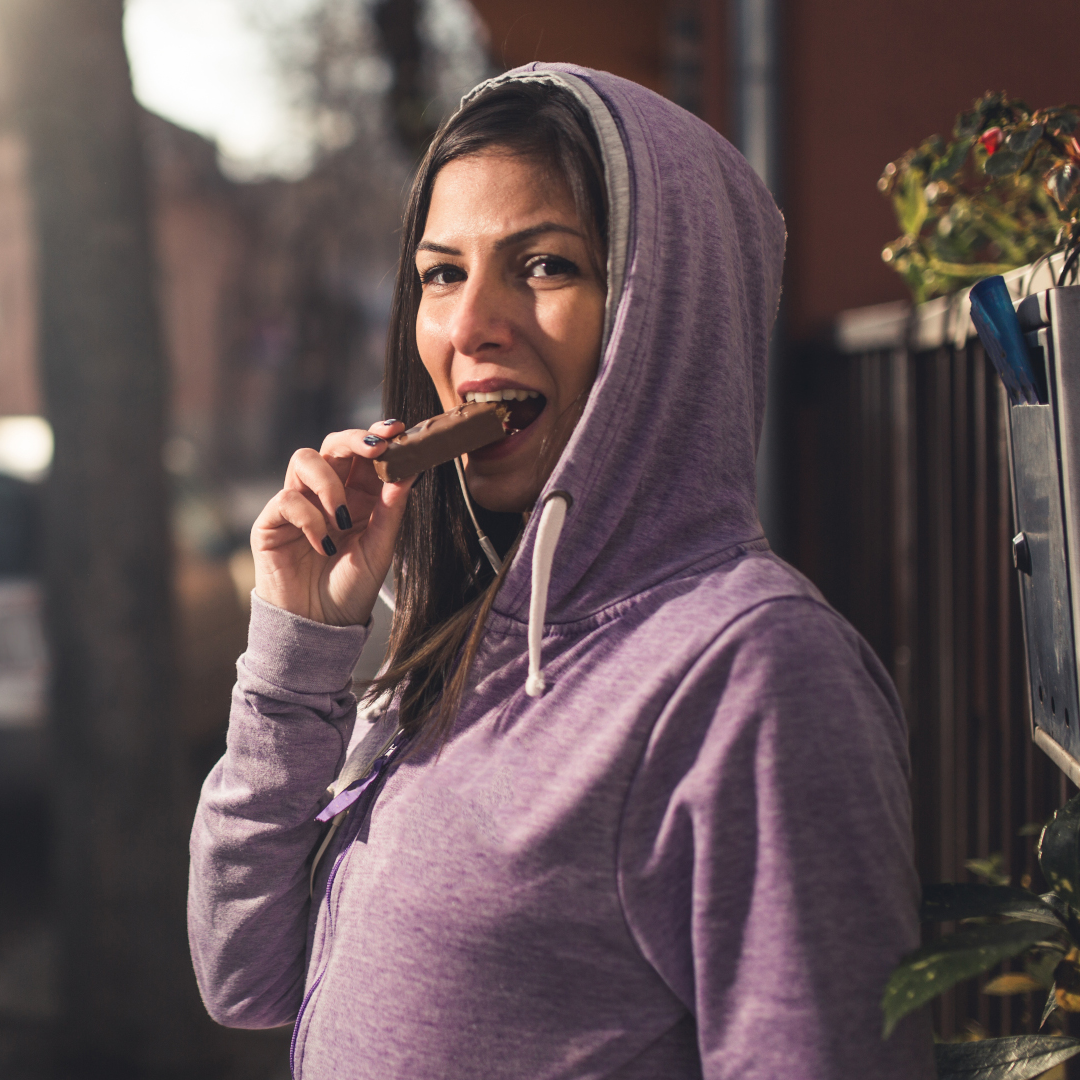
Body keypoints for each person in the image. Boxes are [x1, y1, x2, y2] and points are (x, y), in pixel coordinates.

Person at [187, 63, 933, 1079]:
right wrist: (296, 650)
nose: (469, 325)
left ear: (661, 316)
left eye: (542, 266)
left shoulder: (757, 675)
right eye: (443, 273)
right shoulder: (459, 637)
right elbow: (246, 976)